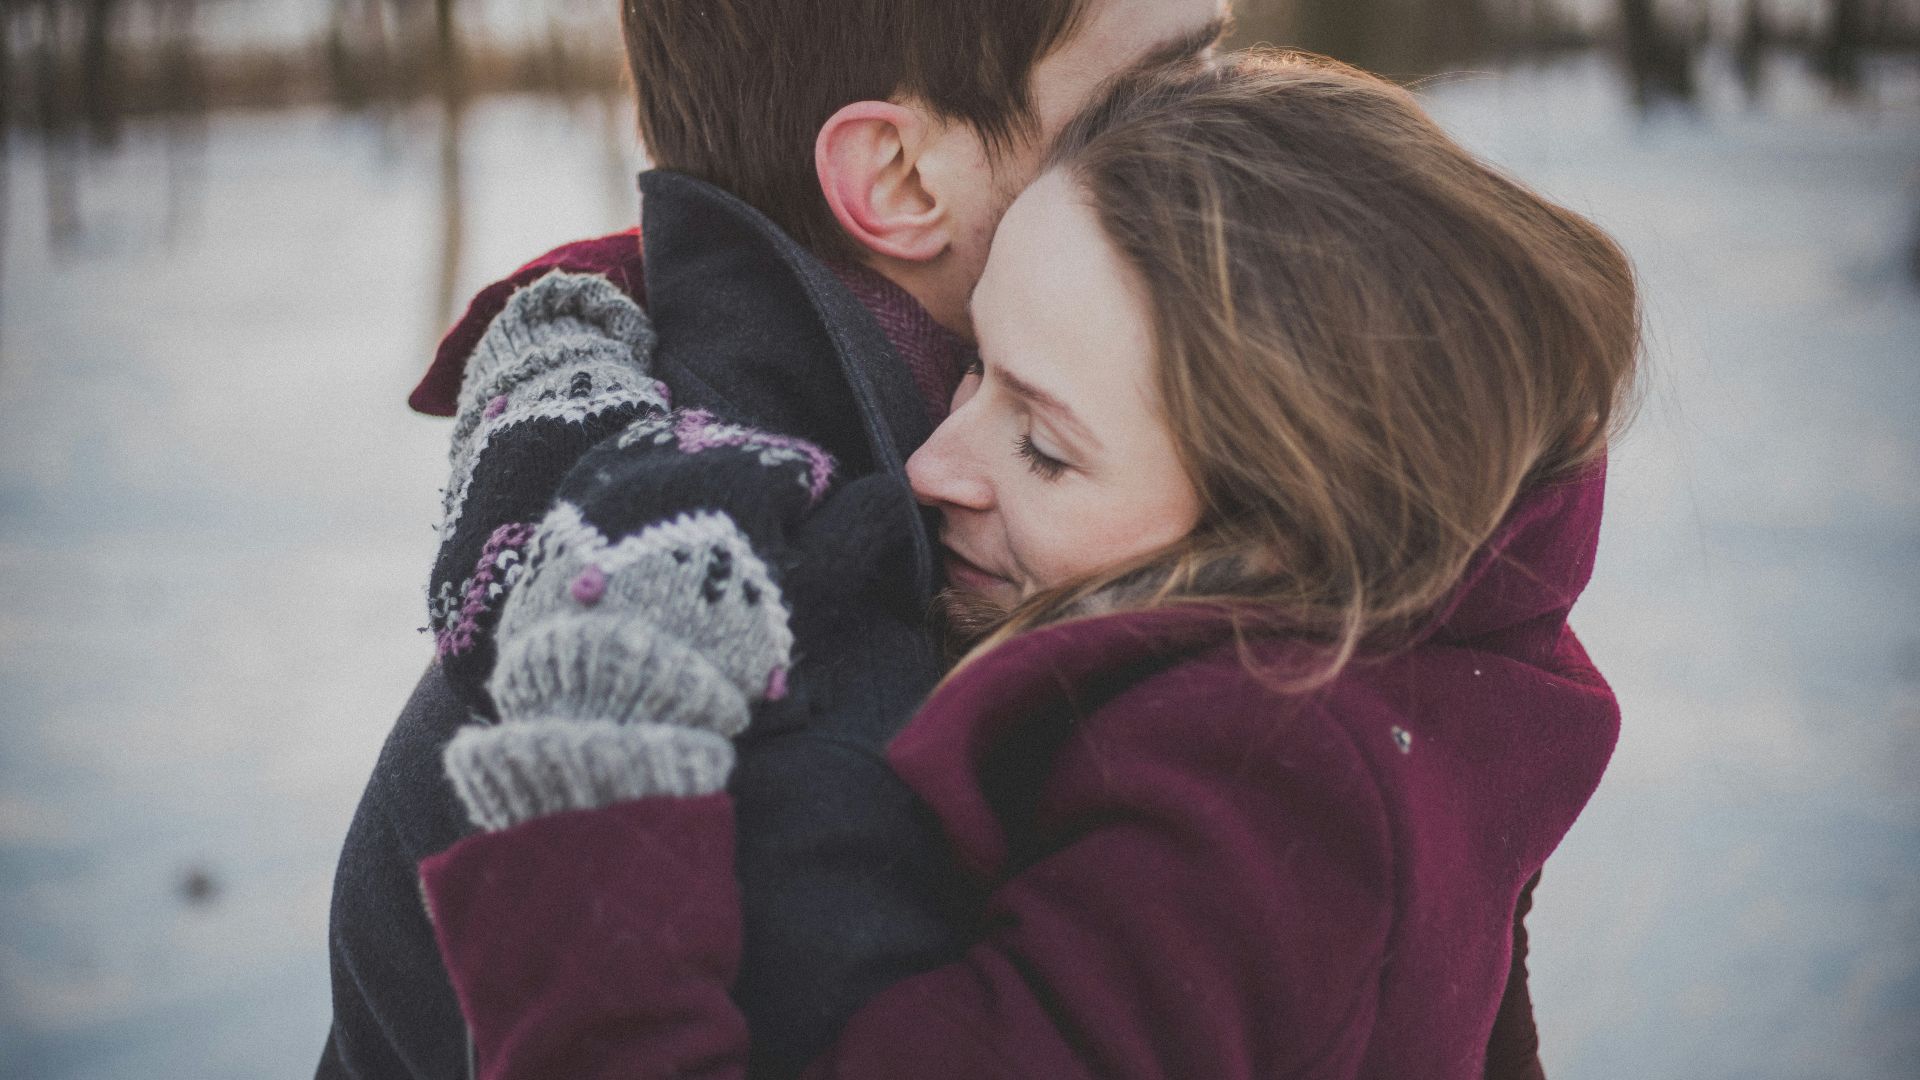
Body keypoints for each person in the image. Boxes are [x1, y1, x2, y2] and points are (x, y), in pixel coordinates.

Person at [413, 49, 1640, 1079]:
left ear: (1288, 522)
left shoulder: (1254, 828)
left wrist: (592, 803)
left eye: (1045, 447)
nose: (936, 467)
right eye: (973, 363)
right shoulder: (1405, 679)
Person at [318, 2, 1236, 1078]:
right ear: (897, 178)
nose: (1235, 125)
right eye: (1167, 86)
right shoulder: (802, 699)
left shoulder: (714, 499)